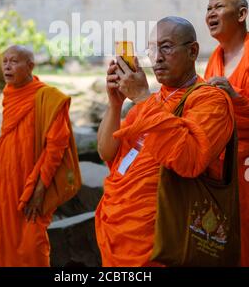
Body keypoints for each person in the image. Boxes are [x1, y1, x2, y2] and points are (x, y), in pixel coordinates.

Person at [95, 16, 235, 267]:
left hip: (163, 235)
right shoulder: (152, 102)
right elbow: (107, 153)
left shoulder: (209, 101)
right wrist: (115, 105)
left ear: (192, 51)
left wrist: (141, 97)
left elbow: (189, 160)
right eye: (152, 48)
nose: (156, 57)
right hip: (118, 225)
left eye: (167, 47)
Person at [0, 45, 72, 267]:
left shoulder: (48, 98)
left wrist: (39, 189)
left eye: (14, 61)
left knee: (32, 244)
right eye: (4, 61)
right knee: (1, 239)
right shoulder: (10, 93)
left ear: (30, 66)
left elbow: (57, 146)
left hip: (31, 184)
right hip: (4, 182)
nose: (7, 66)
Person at [204, 0, 249, 267]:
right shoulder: (215, 57)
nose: (210, 13)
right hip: (222, 165)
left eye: (218, 7)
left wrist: (235, 97)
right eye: (208, 8)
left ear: (242, 14)